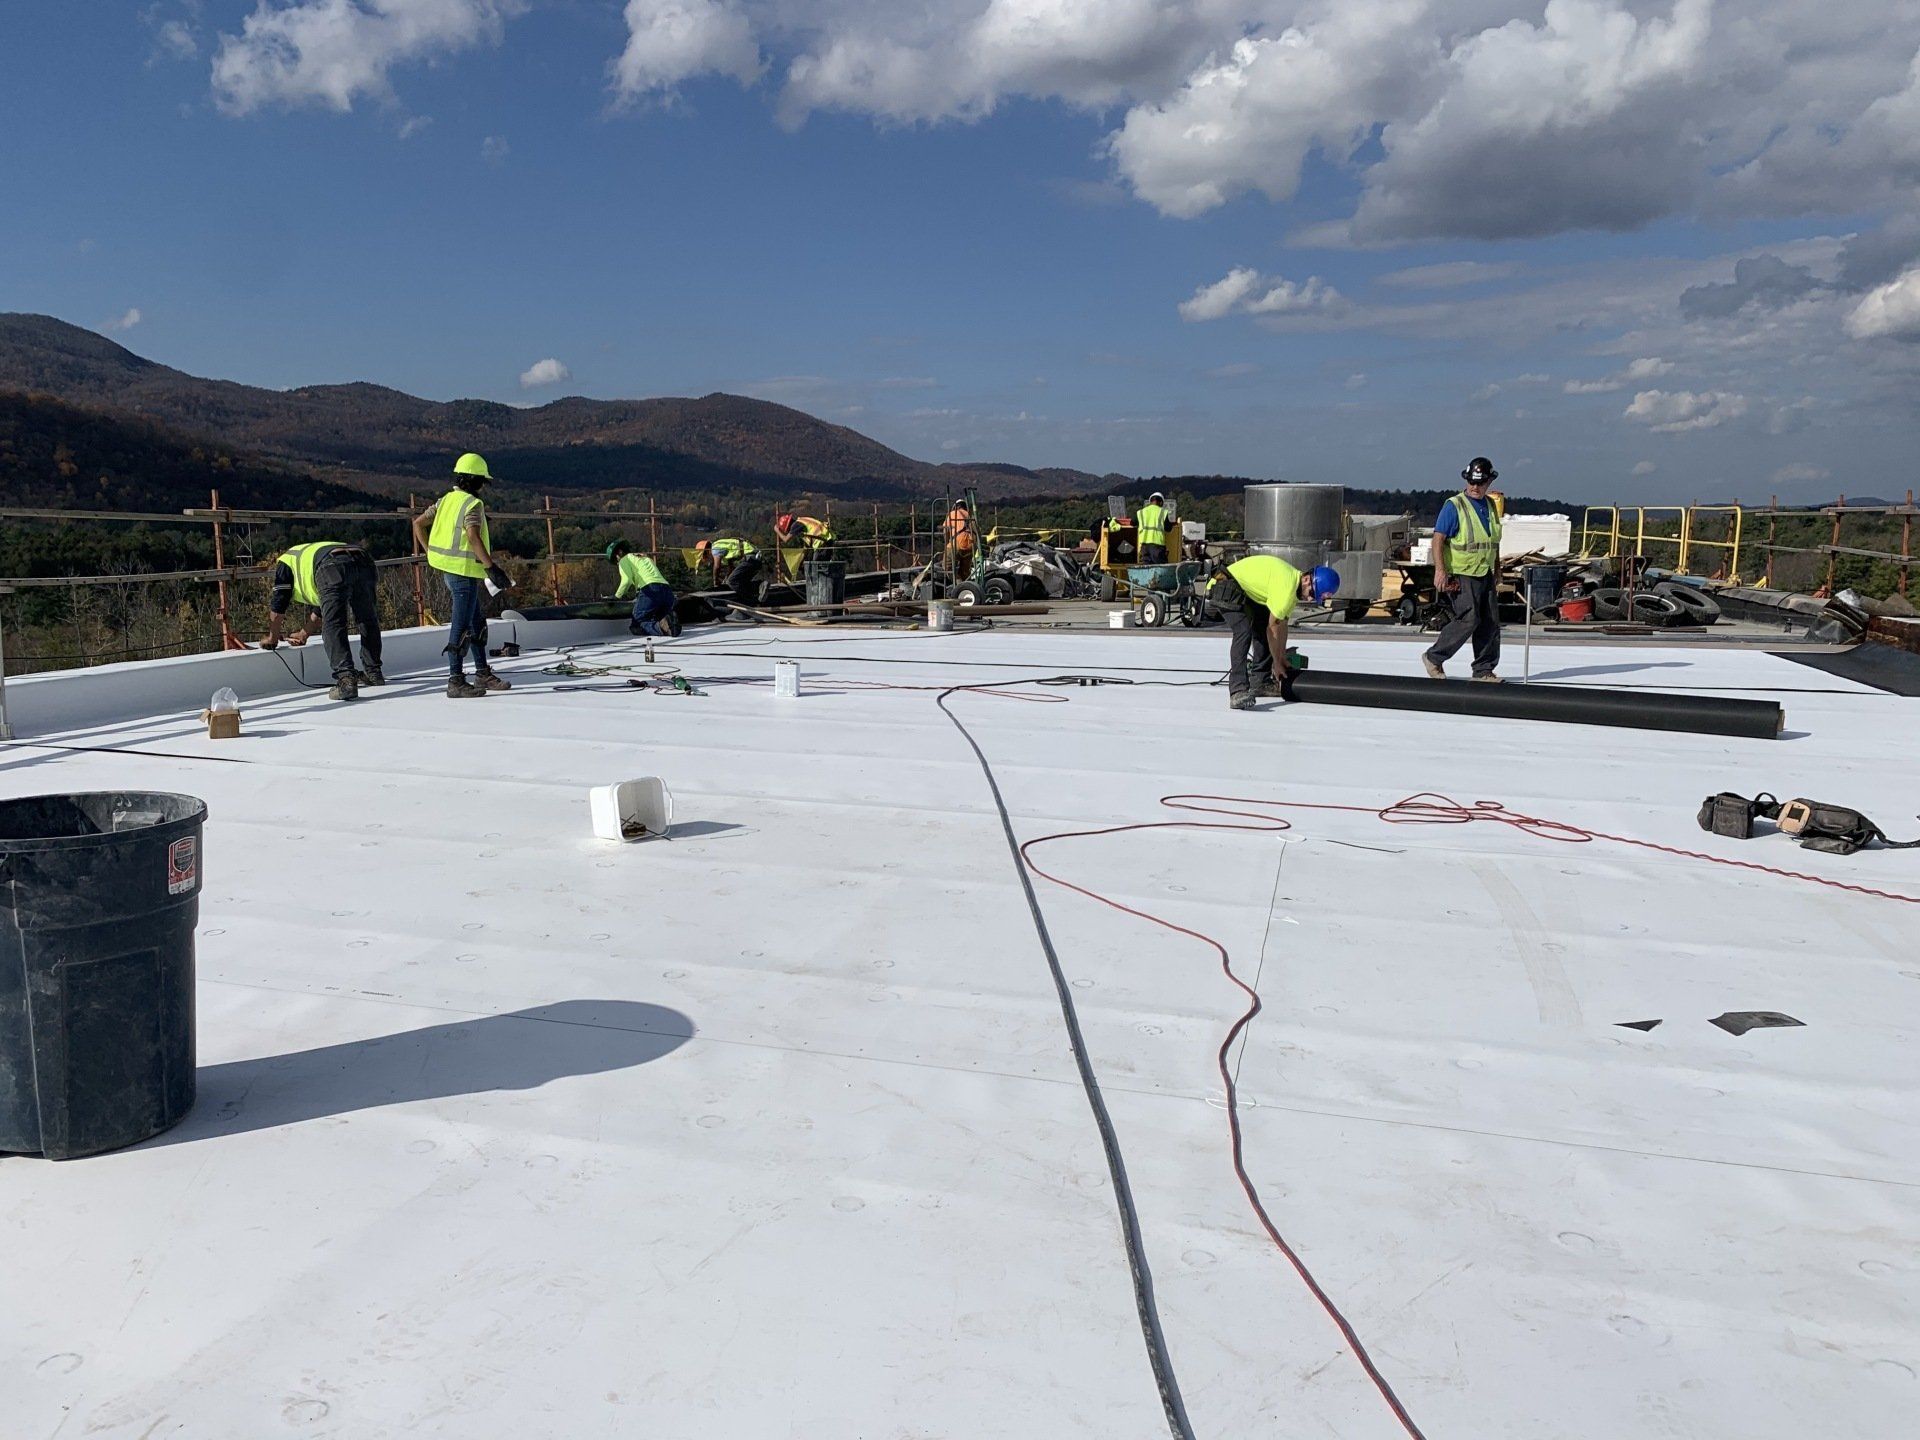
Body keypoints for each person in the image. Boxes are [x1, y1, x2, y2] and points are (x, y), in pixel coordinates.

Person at [413, 452, 513, 699]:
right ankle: (455, 680)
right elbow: (472, 537)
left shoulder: (444, 500)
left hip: (451, 570)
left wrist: (430, 552)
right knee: (461, 626)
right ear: (475, 480)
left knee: (476, 622)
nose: (483, 487)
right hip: (463, 575)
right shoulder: (472, 504)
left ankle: (482, 673)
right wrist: (492, 567)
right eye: (482, 481)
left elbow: (417, 523)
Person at [1210, 556, 1340, 710]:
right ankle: (1238, 691)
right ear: (1306, 579)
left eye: (1314, 598)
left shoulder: (1293, 589)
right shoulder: (1287, 588)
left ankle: (1261, 682)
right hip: (1225, 584)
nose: (1310, 598)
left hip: (1244, 591)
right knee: (1243, 631)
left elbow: (1282, 625)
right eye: (1312, 593)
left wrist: (1282, 657)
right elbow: (1273, 628)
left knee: (1263, 624)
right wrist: (1276, 663)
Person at [261, 540, 384, 701]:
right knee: (367, 619)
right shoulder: (306, 556)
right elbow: (322, 608)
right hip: (362, 560)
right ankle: (374, 673)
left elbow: (278, 608)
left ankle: (346, 680)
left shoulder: (285, 563)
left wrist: (272, 638)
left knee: (334, 624)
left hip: (332, 565)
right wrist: (304, 633)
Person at [1424, 456, 1505, 682]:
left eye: (1480, 483)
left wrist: (1497, 569)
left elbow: (1492, 541)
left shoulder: (1490, 506)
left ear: (1489, 482)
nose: (1475, 487)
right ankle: (1434, 657)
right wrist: (1440, 570)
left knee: (1489, 622)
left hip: (1484, 572)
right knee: (1468, 619)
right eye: (1472, 482)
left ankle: (1484, 670)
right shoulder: (1454, 506)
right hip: (1461, 573)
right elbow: (1438, 538)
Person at [607, 539, 681, 637]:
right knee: (659, 617)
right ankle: (670, 625)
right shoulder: (644, 557)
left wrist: (617, 596)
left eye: (615, 559)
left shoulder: (625, 559)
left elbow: (626, 580)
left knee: (637, 624)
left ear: (619, 553)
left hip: (650, 590)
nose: (617, 563)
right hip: (667, 591)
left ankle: (662, 628)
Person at [695, 537, 764, 611]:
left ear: (707, 551)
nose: (709, 558)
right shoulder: (722, 547)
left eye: (706, 556)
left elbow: (717, 566)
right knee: (740, 582)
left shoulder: (715, 548)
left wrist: (715, 581)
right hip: (755, 558)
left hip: (750, 558)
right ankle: (760, 585)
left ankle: (752, 602)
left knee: (732, 581)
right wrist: (726, 578)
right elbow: (731, 568)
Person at [944, 498, 976, 578]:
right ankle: (968, 588)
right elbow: (977, 531)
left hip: (956, 544)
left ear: (955, 507)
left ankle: (959, 585)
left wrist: (947, 543)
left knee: (947, 567)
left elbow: (945, 531)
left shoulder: (952, 514)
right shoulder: (969, 515)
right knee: (965, 572)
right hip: (970, 545)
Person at [1136, 492, 1170, 565]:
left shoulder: (1141, 512)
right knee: (1160, 567)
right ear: (1161, 503)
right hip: (1157, 546)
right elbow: (1168, 528)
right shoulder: (1162, 512)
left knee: (1146, 567)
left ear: (1150, 502)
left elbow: (1132, 522)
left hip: (1144, 546)